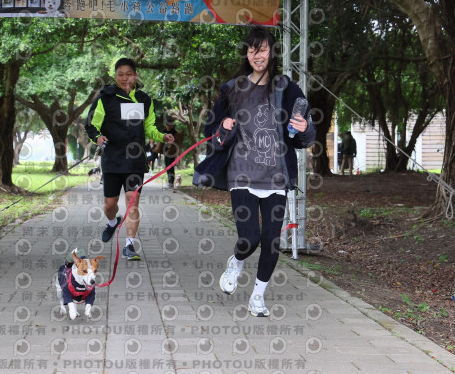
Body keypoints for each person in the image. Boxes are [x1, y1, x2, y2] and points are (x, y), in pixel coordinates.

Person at [194, 26, 316, 317]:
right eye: (251, 50)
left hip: (276, 177)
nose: (256, 55)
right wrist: (222, 127)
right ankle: (236, 262)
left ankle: (258, 297)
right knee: (249, 238)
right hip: (242, 175)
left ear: (272, 52)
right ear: (246, 54)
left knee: (271, 241)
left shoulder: (287, 88)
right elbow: (212, 133)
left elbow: (305, 136)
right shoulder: (232, 89)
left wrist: (305, 128)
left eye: (262, 49)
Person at [85, 58, 174, 260]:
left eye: (128, 74)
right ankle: (112, 222)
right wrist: (97, 137)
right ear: (115, 76)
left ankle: (130, 245)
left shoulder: (144, 100)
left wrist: (162, 137)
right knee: (110, 204)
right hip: (112, 158)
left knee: (132, 202)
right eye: (120, 74)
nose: (124, 78)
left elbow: (149, 127)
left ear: (135, 75)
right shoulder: (105, 98)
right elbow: (91, 124)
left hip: (135, 160)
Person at [162, 117, 183, 188]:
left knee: (171, 167)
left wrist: (177, 154)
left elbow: (178, 144)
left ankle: (171, 182)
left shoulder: (176, 133)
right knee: (167, 167)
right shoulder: (163, 132)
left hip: (172, 152)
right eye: (167, 125)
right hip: (165, 151)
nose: (168, 126)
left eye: (170, 125)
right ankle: (169, 181)